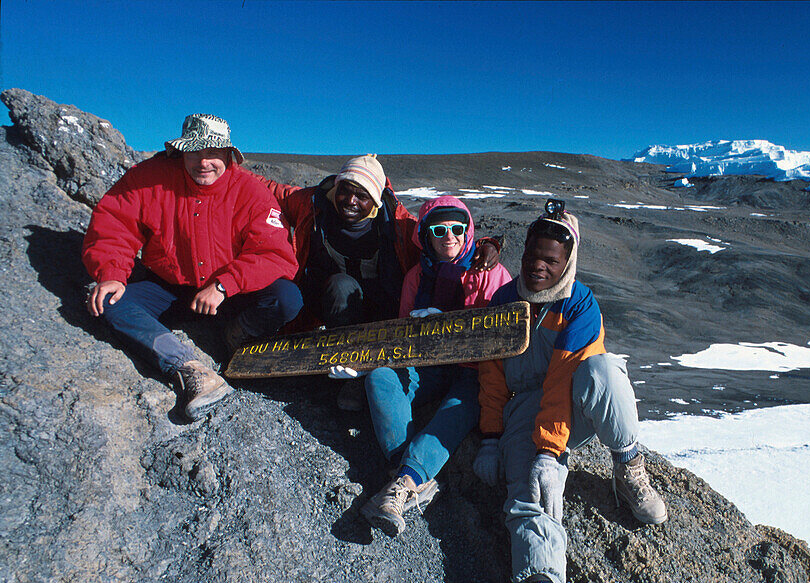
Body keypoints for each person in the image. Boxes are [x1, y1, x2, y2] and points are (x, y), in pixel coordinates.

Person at [473, 200, 668, 583]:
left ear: (568, 264)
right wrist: (493, 438)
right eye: (531, 257)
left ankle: (629, 467)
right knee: (529, 494)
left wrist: (550, 450)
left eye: (551, 260)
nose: (538, 266)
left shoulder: (579, 303)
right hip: (522, 409)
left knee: (603, 369)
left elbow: (563, 380)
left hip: (571, 408)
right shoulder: (502, 305)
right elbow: (492, 377)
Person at [83, 114, 302, 420]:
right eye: (195, 152)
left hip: (228, 297)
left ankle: (237, 338)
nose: (203, 162)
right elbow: (114, 225)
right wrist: (112, 274)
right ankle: (190, 368)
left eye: (213, 153)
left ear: (228, 155)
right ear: (180, 151)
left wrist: (225, 284)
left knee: (286, 298)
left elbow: (274, 254)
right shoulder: (148, 178)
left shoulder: (250, 191)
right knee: (109, 301)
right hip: (170, 288)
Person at [257, 156, 501, 410]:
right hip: (331, 304)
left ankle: (362, 373)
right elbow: (270, 189)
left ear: (374, 201)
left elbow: (441, 241)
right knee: (341, 287)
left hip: (384, 310)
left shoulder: (397, 223)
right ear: (335, 189)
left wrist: (484, 244)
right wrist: (225, 168)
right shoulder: (313, 203)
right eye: (345, 190)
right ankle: (340, 358)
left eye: (362, 195)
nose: (351, 201)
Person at [332, 196, 511, 537]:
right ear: (425, 235)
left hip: (475, 369)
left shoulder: (492, 273)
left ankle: (403, 483)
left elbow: (499, 334)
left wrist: (449, 324)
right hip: (425, 365)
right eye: (439, 229)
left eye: (458, 229)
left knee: (459, 409)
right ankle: (415, 477)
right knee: (382, 379)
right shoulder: (417, 276)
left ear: (468, 232)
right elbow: (402, 334)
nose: (450, 236)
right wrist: (368, 363)